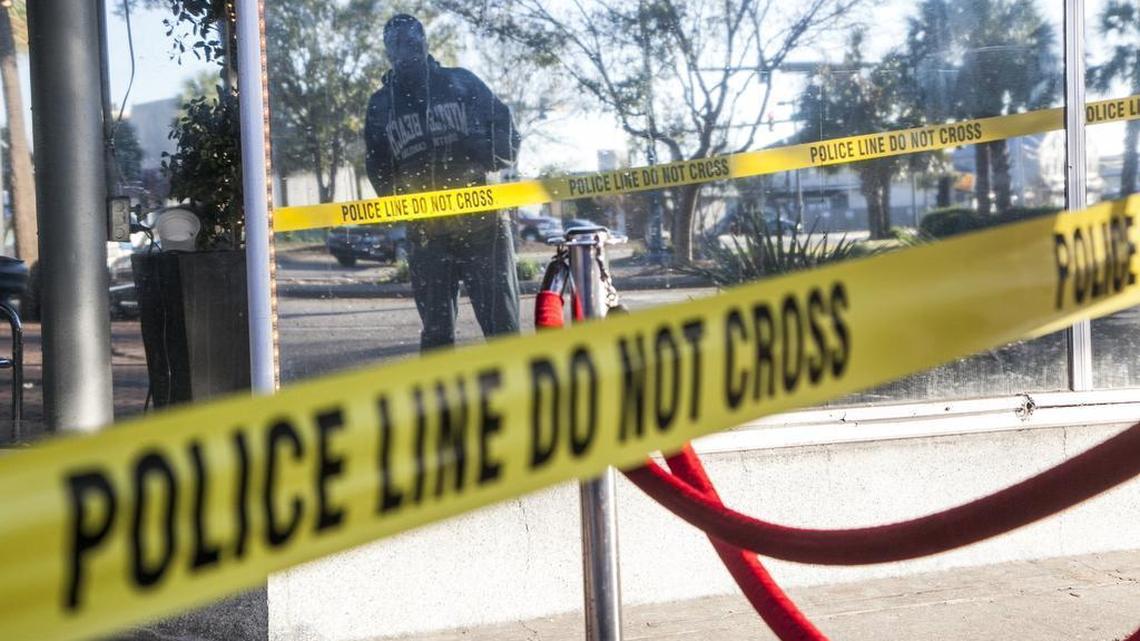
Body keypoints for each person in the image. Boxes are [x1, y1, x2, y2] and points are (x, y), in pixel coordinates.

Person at [365, 14, 522, 351]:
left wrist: (482, 148)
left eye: (412, 41)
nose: (405, 49)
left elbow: (508, 137)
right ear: (387, 51)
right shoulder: (380, 106)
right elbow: (377, 166)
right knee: (436, 336)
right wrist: (404, 206)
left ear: (425, 43)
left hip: (483, 227)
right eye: (396, 44)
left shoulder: (461, 83)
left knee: (503, 329)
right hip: (426, 233)